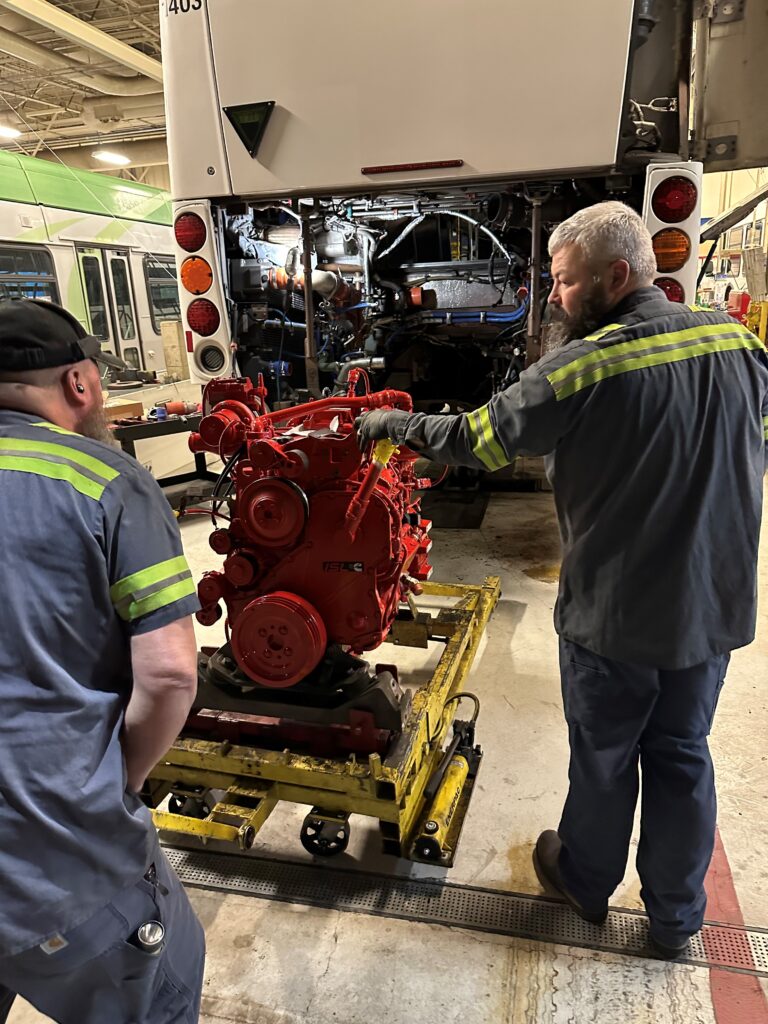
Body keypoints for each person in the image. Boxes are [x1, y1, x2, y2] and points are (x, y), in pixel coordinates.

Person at [357, 201, 768, 959]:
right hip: (710, 610)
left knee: (607, 757)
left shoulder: (586, 365)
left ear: (617, 276)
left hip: (616, 618)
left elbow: (475, 439)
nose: (555, 298)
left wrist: (389, 427)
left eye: (567, 282)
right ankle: (677, 919)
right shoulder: (736, 342)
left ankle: (584, 882)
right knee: (682, 754)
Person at [0, 299, 205, 1022]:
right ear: (82, 383)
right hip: (55, 856)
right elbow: (172, 672)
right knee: (165, 992)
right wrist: (123, 779)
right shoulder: (106, 481)